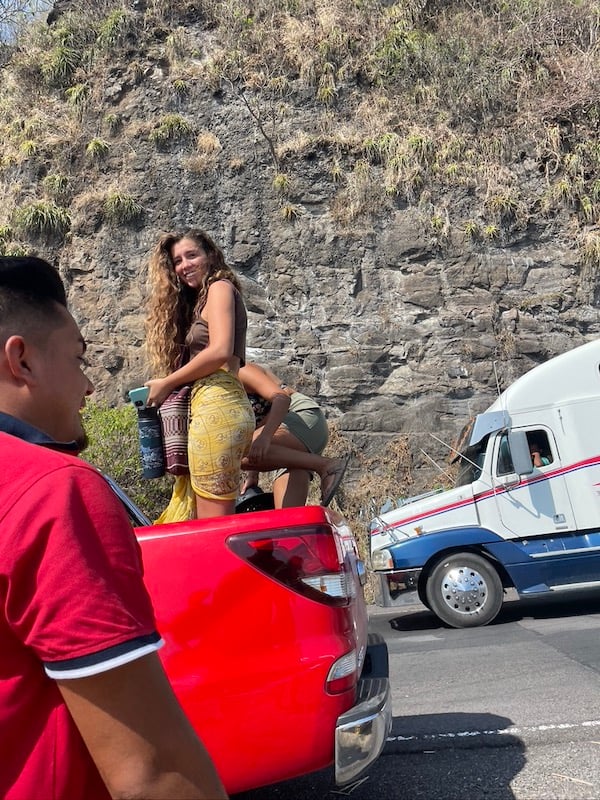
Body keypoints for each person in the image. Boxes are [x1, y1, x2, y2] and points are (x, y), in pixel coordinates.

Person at [0, 256, 227, 799]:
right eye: (79, 360)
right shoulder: (51, 492)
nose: (87, 387)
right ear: (21, 360)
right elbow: (151, 775)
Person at [145, 229, 255, 520]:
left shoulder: (219, 288)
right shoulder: (201, 300)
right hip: (213, 404)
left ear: (211, 255)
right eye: (178, 260)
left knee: (214, 522)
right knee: (206, 515)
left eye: (192, 255)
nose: (184, 265)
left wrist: (168, 382)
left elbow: (219, 350)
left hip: (218, 403)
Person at [238, 362, 350, 508]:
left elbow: (283, 398)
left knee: (236, 451)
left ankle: (327, 466)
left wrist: (265, 437)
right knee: (287, 519)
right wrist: (253, 473)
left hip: (300, 418)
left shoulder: (240, 370)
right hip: (286, 435)